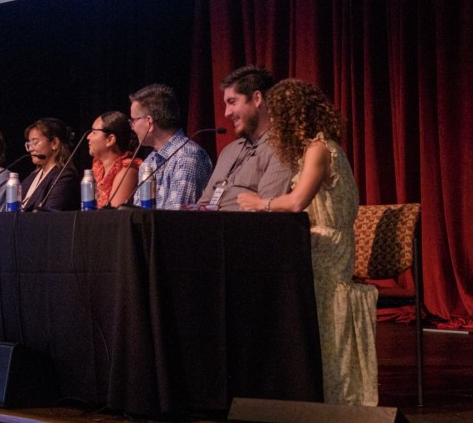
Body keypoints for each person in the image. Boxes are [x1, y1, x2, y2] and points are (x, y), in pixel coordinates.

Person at [237, 79, 378, 406]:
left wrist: (262, 203)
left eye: (275, 114)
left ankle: (320, 389)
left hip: (328, 246)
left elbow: (298, 201)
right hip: (316, 241)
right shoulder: (314, 148)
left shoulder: (319, 148)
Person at [197, 65, 294, 210]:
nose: (226, 113)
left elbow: (267, 213)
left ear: (256, 99)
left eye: (232, 102)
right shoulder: (229, 151)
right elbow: (203, 204)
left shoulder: (282, 147)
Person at [129, 83, 212, 208]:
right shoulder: (148, 163)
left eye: (134, 120)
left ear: (149, 122)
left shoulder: (187, 157)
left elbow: (177, 219)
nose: (132, 127)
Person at [20, 118, 79, 211]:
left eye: (35, 142)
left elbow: (50, 214)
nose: (30, 149)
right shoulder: (31, 177)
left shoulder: (65, 176)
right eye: (29, 144)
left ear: (54, 143)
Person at [86, 111, 141, 208]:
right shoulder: (98, 168)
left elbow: (114, 215)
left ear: (110, 140)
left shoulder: (128, 169)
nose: (88, 137)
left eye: (94, 132)